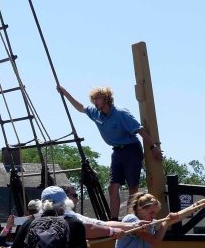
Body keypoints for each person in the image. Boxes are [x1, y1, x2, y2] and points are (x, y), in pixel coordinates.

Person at [57, 85, 162, 218]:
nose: (95, 102)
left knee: (132, 187)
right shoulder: (96, 113)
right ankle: (114, 219)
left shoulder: (121, 113)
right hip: (117, 151)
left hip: (131, 149)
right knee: (112, 187)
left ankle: (131, 218)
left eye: (98, 98)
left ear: (106, 99)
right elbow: (81, 107)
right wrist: (65, 93)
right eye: (93, 99)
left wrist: (153, 147)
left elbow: (140, 130)